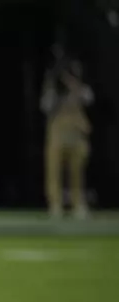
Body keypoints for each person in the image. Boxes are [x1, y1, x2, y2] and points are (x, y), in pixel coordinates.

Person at [40, 54, 94, 220]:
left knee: (77, 172)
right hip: (57, 134)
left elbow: (89, 98)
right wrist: (55, 90)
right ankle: (55, 205)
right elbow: (45, 106)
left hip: (76, 135)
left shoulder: (80, 88)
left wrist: (72, 84)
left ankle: (78, 204)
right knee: (54, 171)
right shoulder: (52, 89)